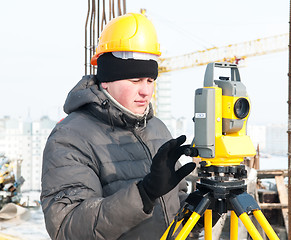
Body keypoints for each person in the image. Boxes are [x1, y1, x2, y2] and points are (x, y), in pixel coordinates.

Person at [40, 13, 196, 240]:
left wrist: (193, 212)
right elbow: (67, 227)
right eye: (135, 81)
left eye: (150, 81)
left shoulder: (157, 128)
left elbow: (172, 201)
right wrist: (143, 194)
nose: (146, 91)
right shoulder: (70, 137)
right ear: (107, 81)